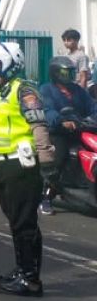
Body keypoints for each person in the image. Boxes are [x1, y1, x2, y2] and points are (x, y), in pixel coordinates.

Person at [0, 41, 53, 297]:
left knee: (24, 222)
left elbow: (39, 126)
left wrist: (47, 164)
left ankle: (30, 280)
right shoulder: (1, 92)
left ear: (10, 64)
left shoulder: (24, 90)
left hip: (22, 165)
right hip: (5, 165)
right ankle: (23, 271)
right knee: (17, 222)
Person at [38, 55, 97, 215]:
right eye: (65, 73)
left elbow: (92, 106)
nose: (70, 76)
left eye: (71, 72)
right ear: (56, 73)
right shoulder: (46, 89)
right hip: (60, 133)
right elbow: (47, 110)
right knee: (58, 160)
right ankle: (46, 197)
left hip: (81, 129)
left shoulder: (78, 90)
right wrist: (61, 121)